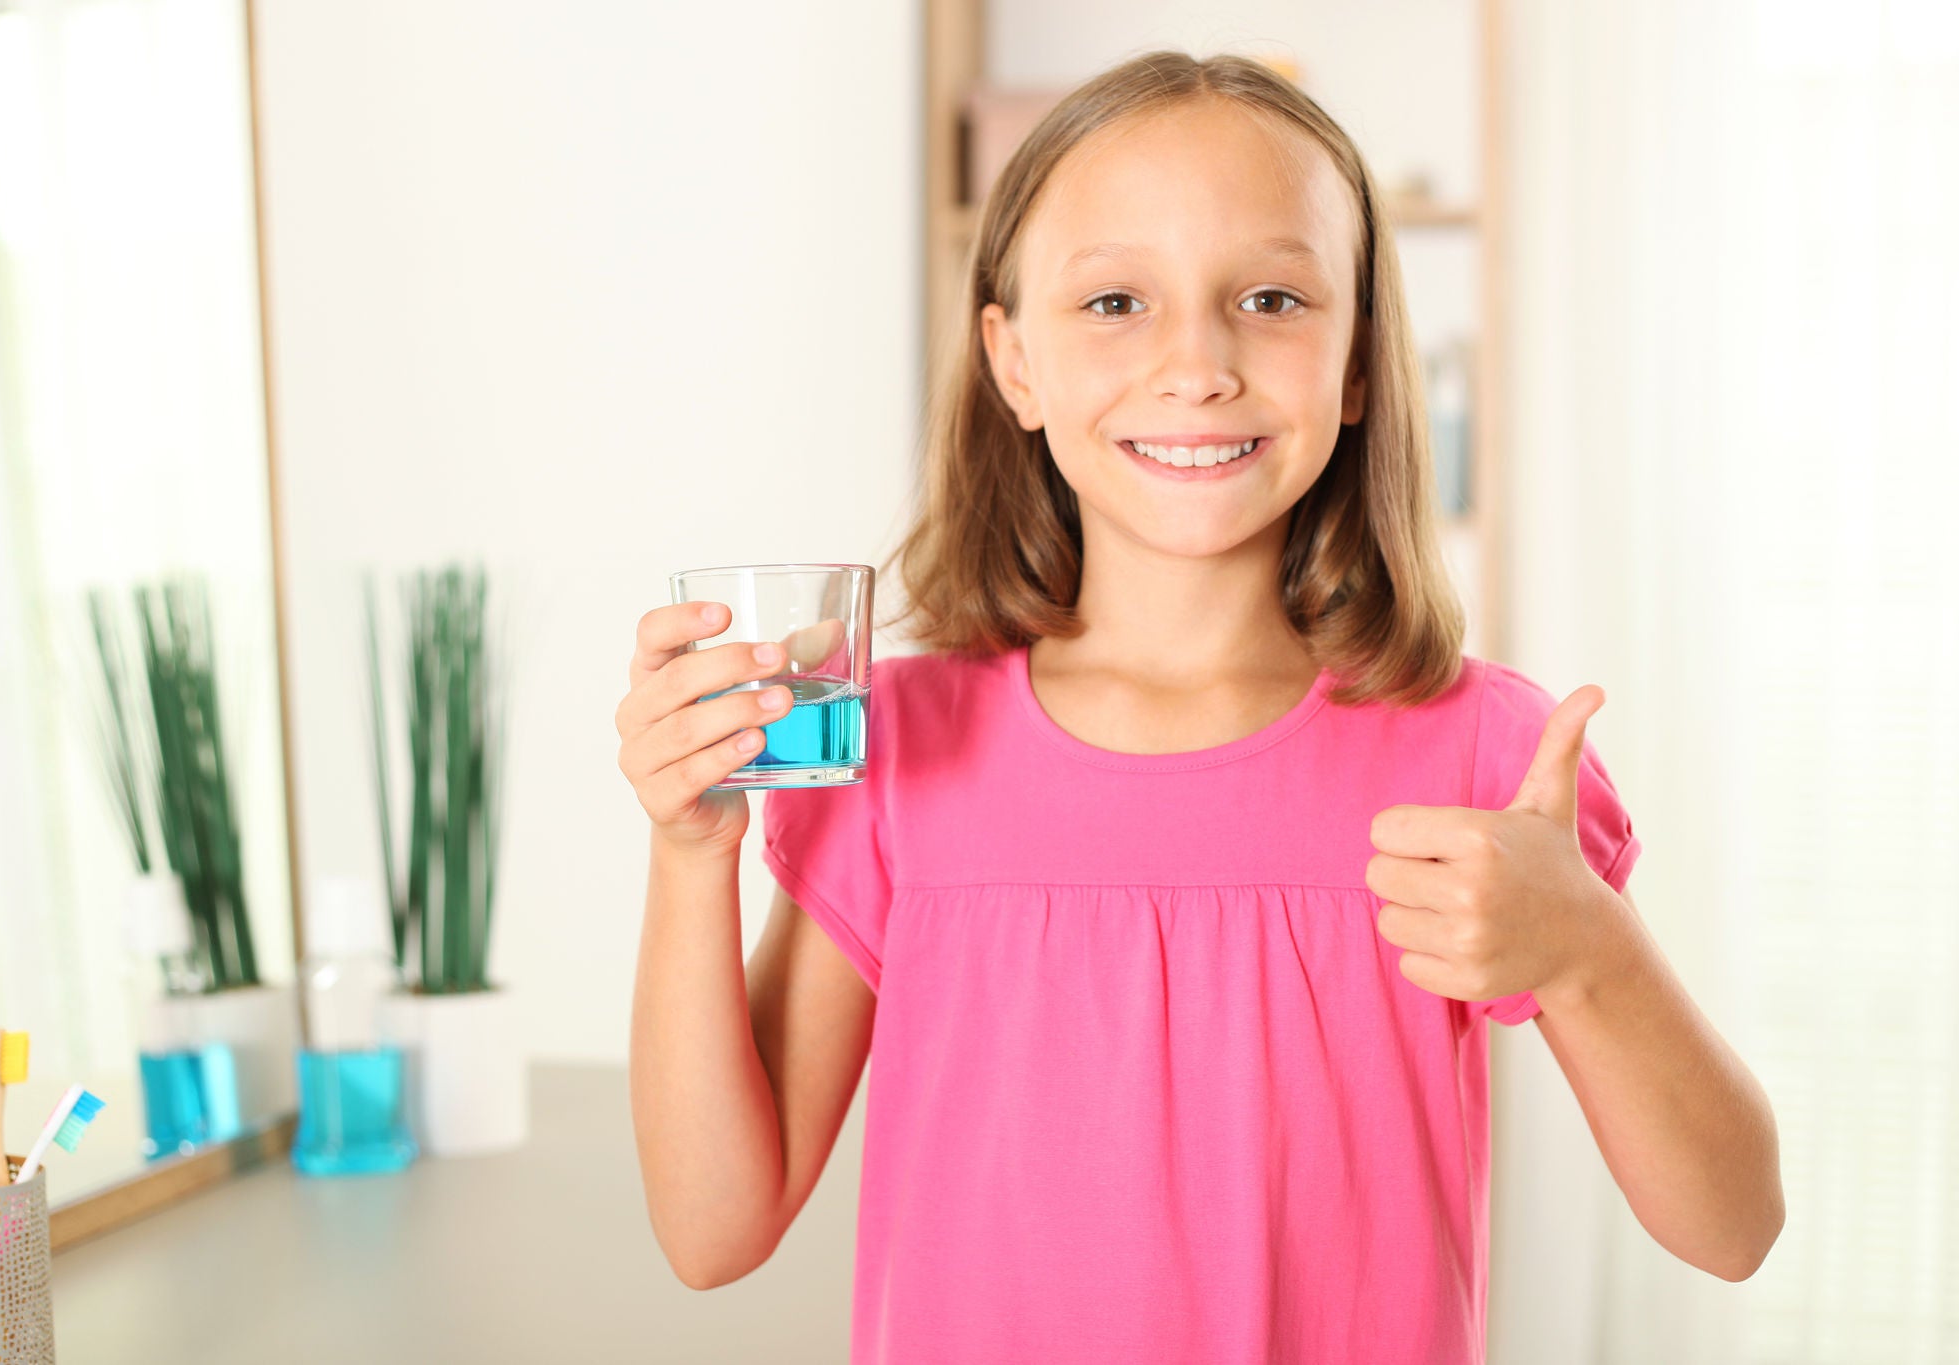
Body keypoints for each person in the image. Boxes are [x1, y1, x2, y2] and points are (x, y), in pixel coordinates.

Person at [617, 48, 1783, 1364]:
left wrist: (1589, 951)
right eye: (1116, 299)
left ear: (1355, 364)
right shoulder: (901, 751)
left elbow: (1734, 1223)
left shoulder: (1483, 756)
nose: (1197, 363)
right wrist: (688, 852)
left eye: (1272, 297)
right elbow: (714, 1228)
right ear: (1012, 361)